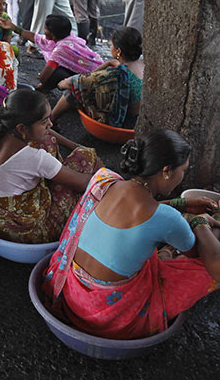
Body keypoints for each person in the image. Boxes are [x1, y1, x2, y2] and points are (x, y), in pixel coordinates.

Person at [42, 129, 220, 340]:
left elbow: (133, 215)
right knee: (207, 261)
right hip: (112, 317)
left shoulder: (104, 180)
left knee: (147, 244)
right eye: (183, 171)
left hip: (72, 296)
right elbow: (203, 257)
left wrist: (182, 204)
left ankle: (166, 255)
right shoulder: (167, 219)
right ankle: (168, 256)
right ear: (166, 171)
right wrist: (201, 222)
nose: (182, 178)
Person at [0, 89, 101, 244]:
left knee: (47, 141)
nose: (50, 124)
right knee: (86, 157)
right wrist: (101, 173)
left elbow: (47, 134)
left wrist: (73, 145)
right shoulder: (34, 158)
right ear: (22, 128)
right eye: (44, 121)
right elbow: (83, 183)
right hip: (29, 231)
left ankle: (58, 172)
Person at [52, 27, 143, 129]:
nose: (110, 47)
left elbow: (73, 82)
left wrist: (61, 84)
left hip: (122, 123)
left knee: (73, 91)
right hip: (139, 120)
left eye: (111, 45)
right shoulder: (143, 64)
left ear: (118, 51)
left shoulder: (116, 74)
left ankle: (51, 120)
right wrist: (108, 63)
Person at [0, 14, 102, 91]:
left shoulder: (61, 50)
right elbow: (36, 37)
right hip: (97, 71)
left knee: (56, 73)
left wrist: (43, 82)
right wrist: (14, 28)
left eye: (46, 29)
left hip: (95, 82)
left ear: (54, 35)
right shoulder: (68, 37)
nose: (44, 32)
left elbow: (44, 76)